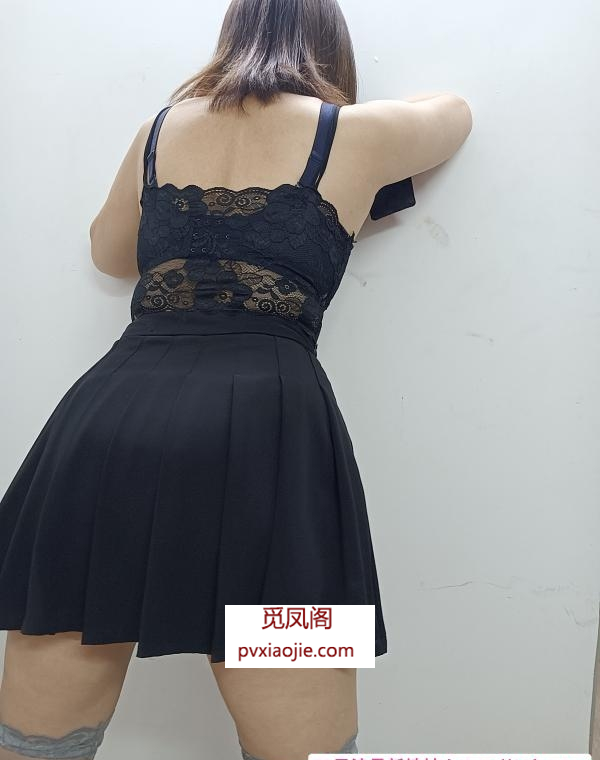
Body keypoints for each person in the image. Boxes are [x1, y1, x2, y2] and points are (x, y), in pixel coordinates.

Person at [0, 0, 473, 757]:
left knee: (34, 744)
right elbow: (455, 114)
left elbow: (109, 255)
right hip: (270, 438)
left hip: (111, 424)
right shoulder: (358, 132)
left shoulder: (160, 130)